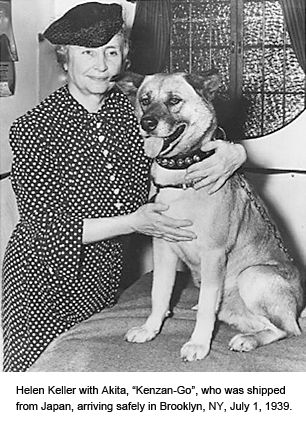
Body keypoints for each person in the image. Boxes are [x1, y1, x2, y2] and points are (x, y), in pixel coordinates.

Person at [1, 2, 246, 372]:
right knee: (42, 386)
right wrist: (136, 222)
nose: (101, 65)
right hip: (44, 283)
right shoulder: (35, 128)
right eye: (87, 53)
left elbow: (182, 147)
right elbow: (46, 228)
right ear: (65, 59)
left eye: (111, 52)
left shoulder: (134, 108)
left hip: (105, 276)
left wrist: (233, 152)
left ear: (124, 56)